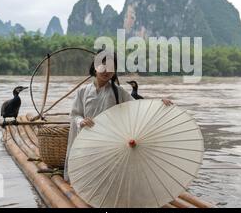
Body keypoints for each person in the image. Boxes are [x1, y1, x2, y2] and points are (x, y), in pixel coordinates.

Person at [63, 50, 172, 181]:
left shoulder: (119, 92)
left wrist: (158, 103)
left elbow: (138, 108)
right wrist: (81, 122)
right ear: (95, 67)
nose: (106, 71)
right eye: (103, 66)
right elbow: (75, 115)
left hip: (109, 144)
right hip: (88, 141)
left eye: (111, 68)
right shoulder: (83, 92)